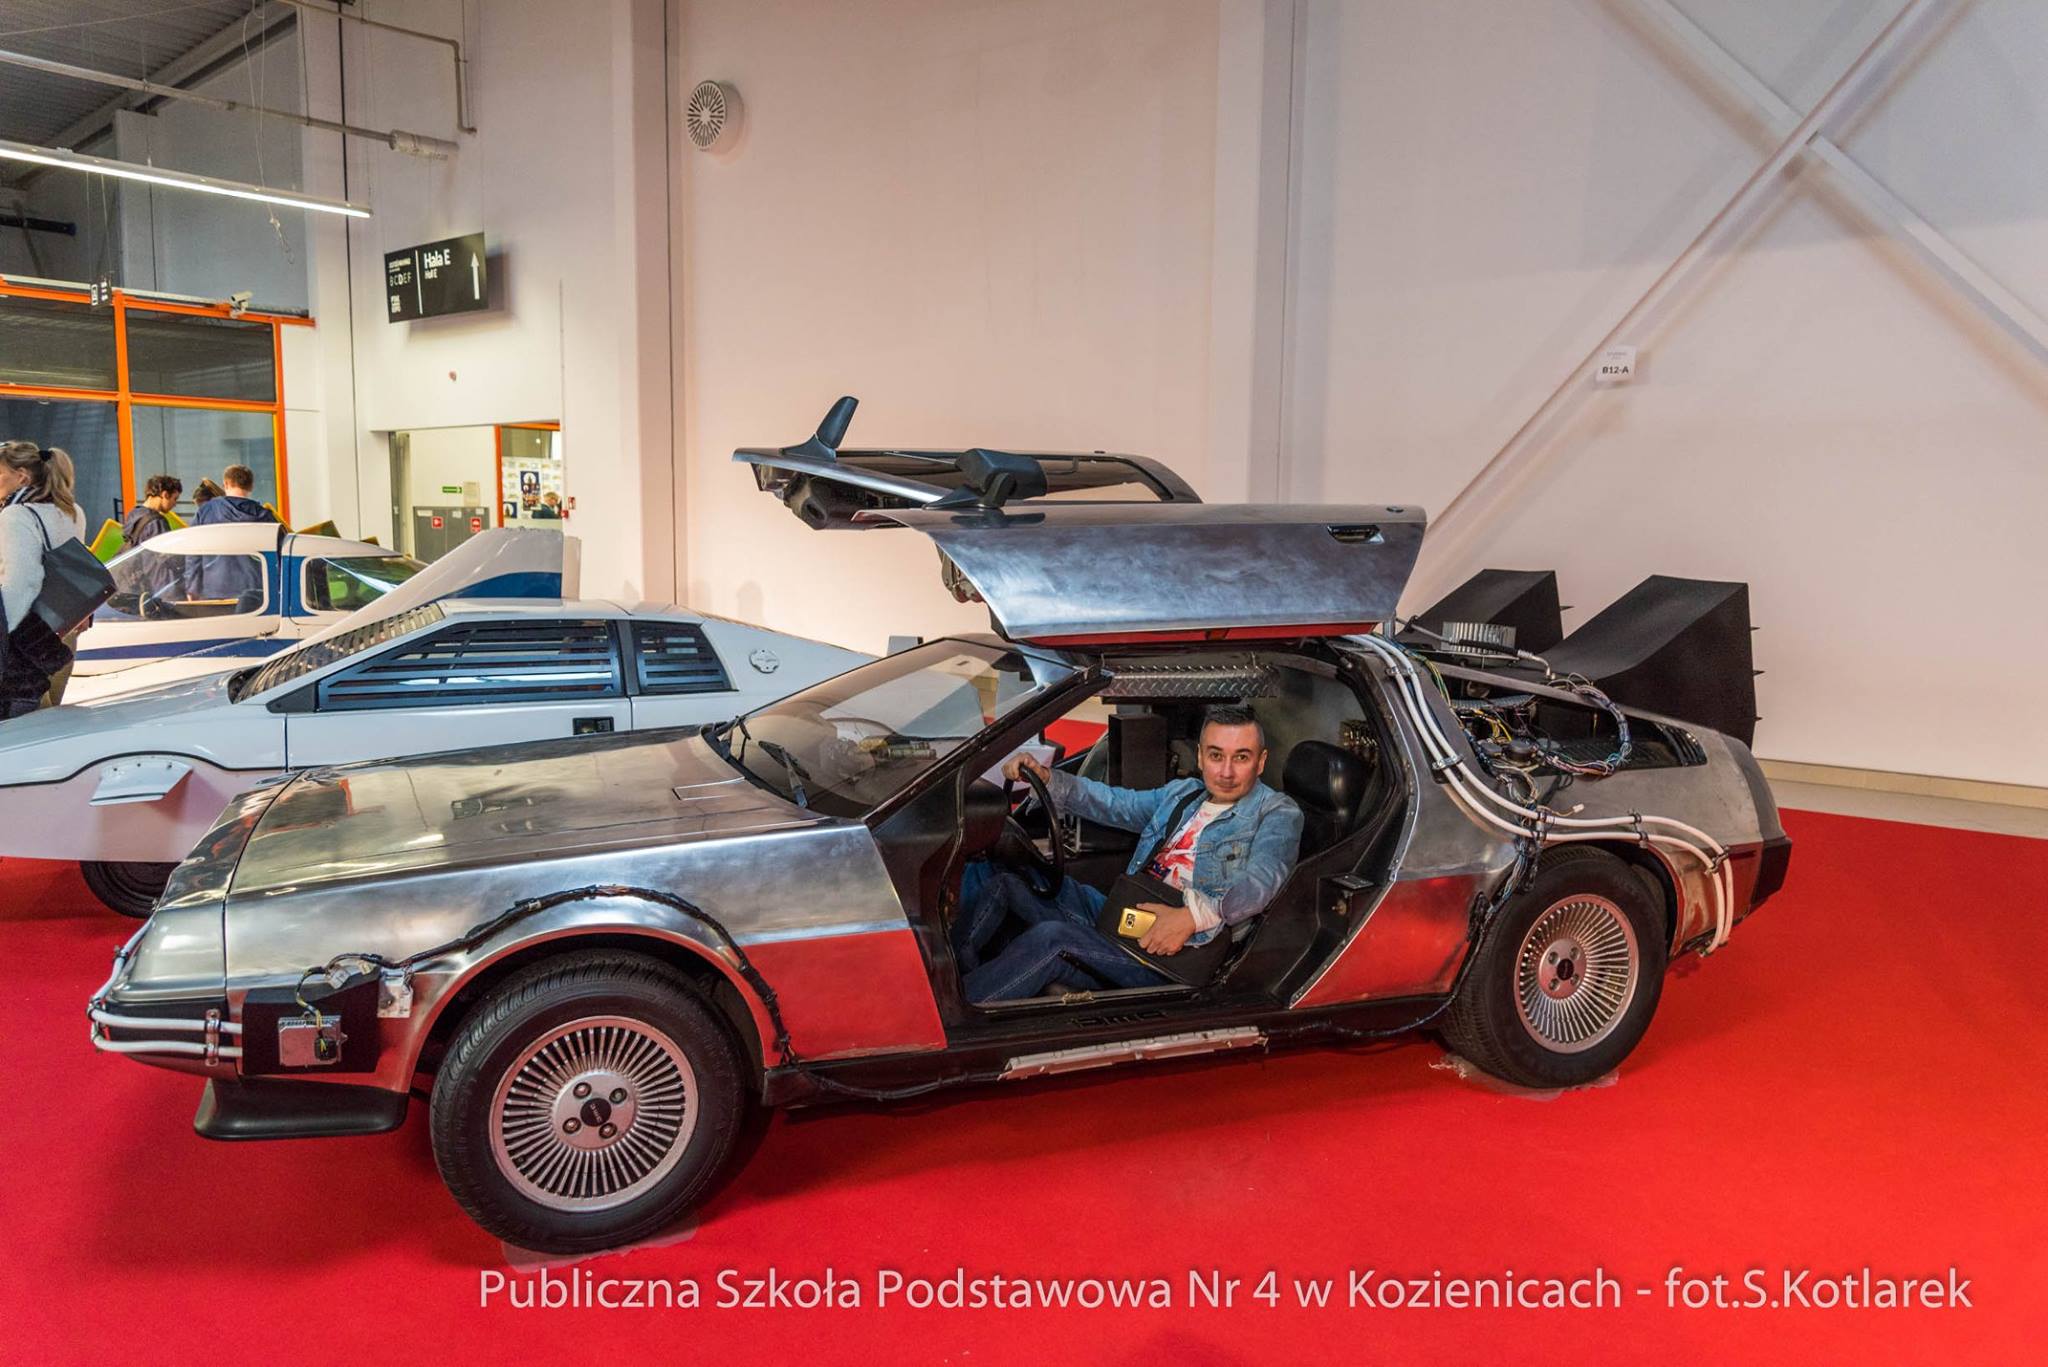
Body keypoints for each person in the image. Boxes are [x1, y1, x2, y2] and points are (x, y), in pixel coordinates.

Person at [952, 704, 1304, 1003]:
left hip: (1176, 952)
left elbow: (1263, 880)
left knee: (1052, 937)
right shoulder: (1185, 793)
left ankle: (952, 1018)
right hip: (1129, 913)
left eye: (1241, 757)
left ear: (1261, 762)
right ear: (1200, 756)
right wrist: (1049, 779)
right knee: (1004, 877)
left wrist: (1193, 917)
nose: (1226, 772)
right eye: (1216, 755)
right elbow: (1114, 804)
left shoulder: (1277, 812)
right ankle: (952, 978)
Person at [0, 441, 90, 719]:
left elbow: (20, 585)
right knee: (49, 721)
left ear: (21, 476)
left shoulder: (16, 516)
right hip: (64, 628)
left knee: (28, 724)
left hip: (27, 639)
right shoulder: (72, 510)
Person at [189, 463, 277, 611]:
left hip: (214, 589)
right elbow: (277, 557)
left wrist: (192, 586)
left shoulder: (206, 511)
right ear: (251, 486)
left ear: (225, 484)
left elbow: (192, 551)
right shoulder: (265, 517)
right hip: (255, 592)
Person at [122, 474, 183, 549]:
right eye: (175, 499)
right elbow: (165, 553)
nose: (175, 504)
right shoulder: (157, 522)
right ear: (165, 495)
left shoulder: (133, 514)